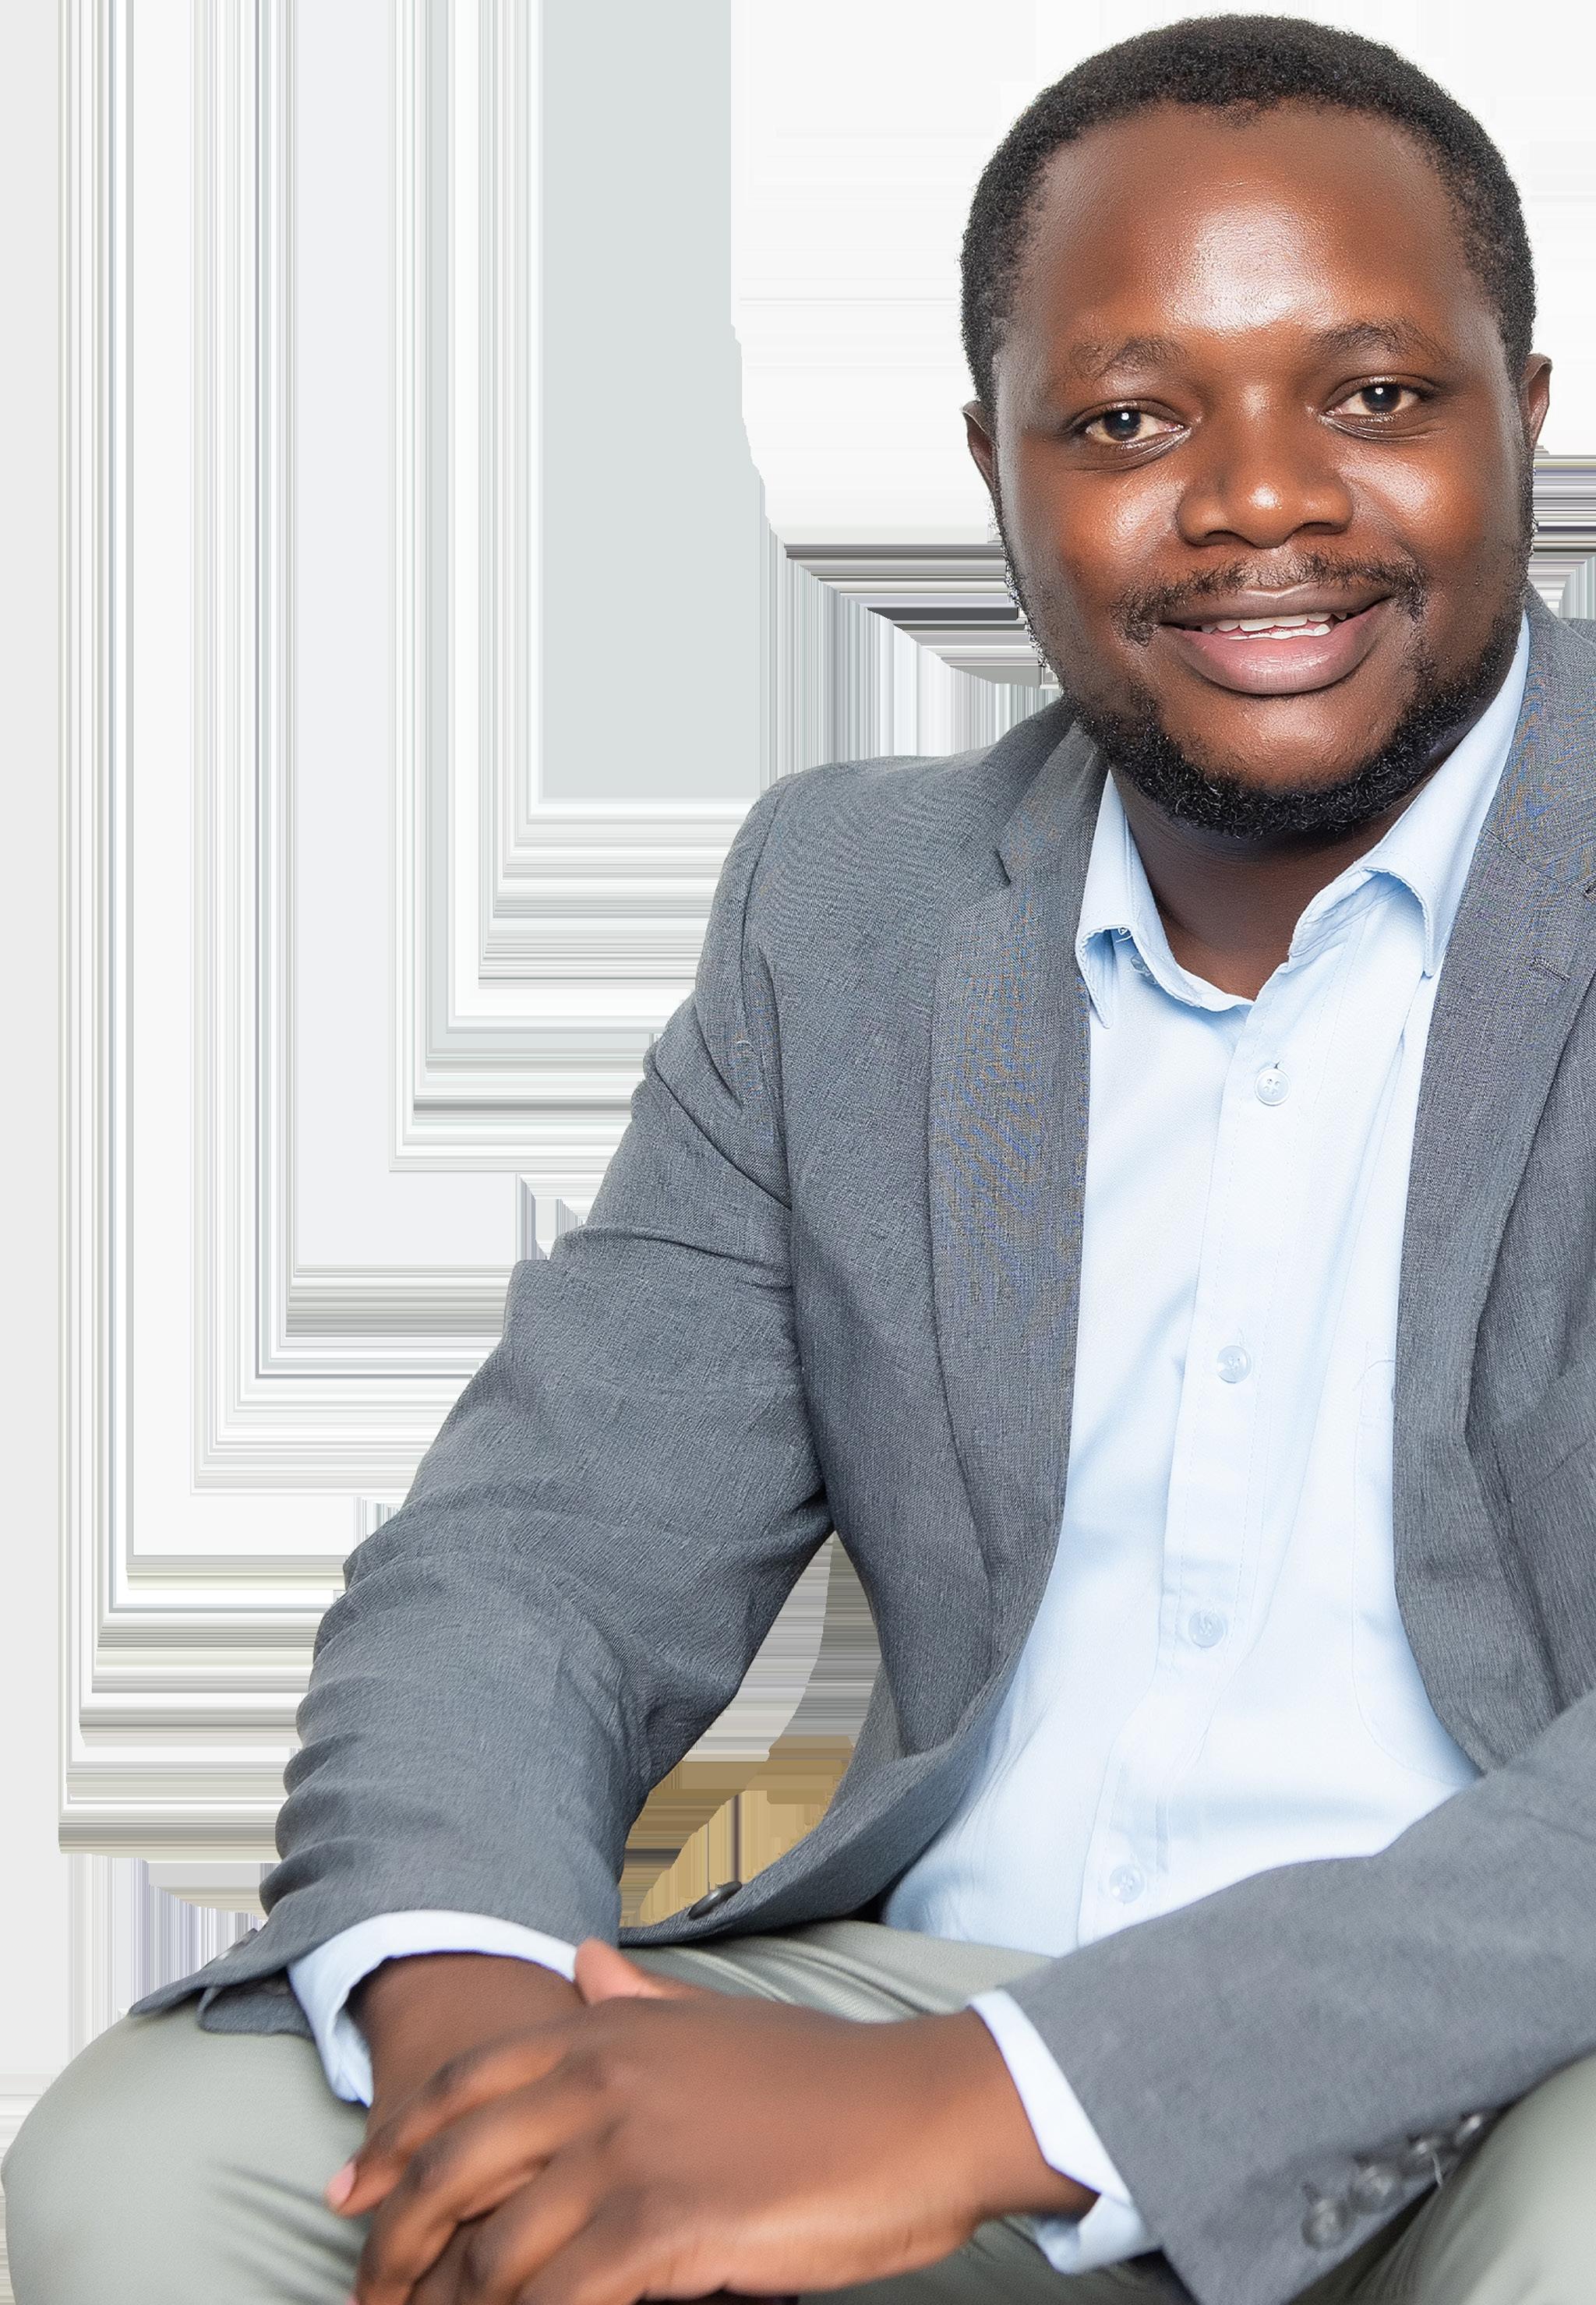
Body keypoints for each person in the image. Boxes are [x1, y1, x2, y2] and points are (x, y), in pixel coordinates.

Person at [9, 15, 1596, 2304]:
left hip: (1510, 2053)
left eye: (1372, 395)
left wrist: (997, 2103)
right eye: (1131, 420)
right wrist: (481, 2045)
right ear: (992, 467)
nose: (1262, 500)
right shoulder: (849, 915)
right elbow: (544, 1555)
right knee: (162, 2160)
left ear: (1522, 412)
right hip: (938, 2009)